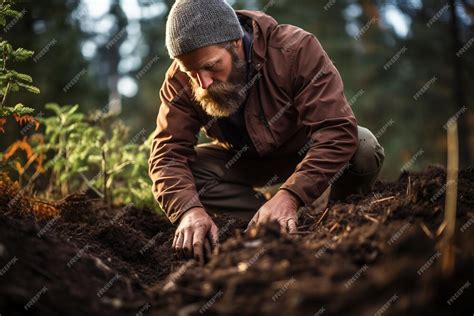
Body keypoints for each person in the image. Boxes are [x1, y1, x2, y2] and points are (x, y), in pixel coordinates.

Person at [148, 0, 385, 263]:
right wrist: (188, 210)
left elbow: (336, 130)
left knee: (363, 146)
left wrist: (292, 195)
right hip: (243, 161)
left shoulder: (294, 49)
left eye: (212, 67)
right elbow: (167, 155)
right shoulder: (179, 81)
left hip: (304, 152)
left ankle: (331, 219)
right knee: (192, 173)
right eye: (191, 72)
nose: (202, 83)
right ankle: (267, 221)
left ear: (235, 42)